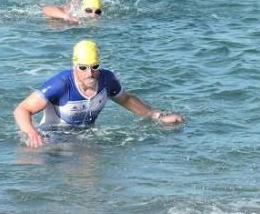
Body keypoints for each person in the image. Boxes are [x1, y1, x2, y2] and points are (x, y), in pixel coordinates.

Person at [13, 39, 184, 148]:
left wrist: (157, 116)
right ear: (75, 66)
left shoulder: (107, 79)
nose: (89, 73)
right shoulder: (61, 83)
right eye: (83, 67)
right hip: (52, 138)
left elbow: (126, 99)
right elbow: (22, 109)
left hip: (86, 136)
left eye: (94, 67)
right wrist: (32, 133)